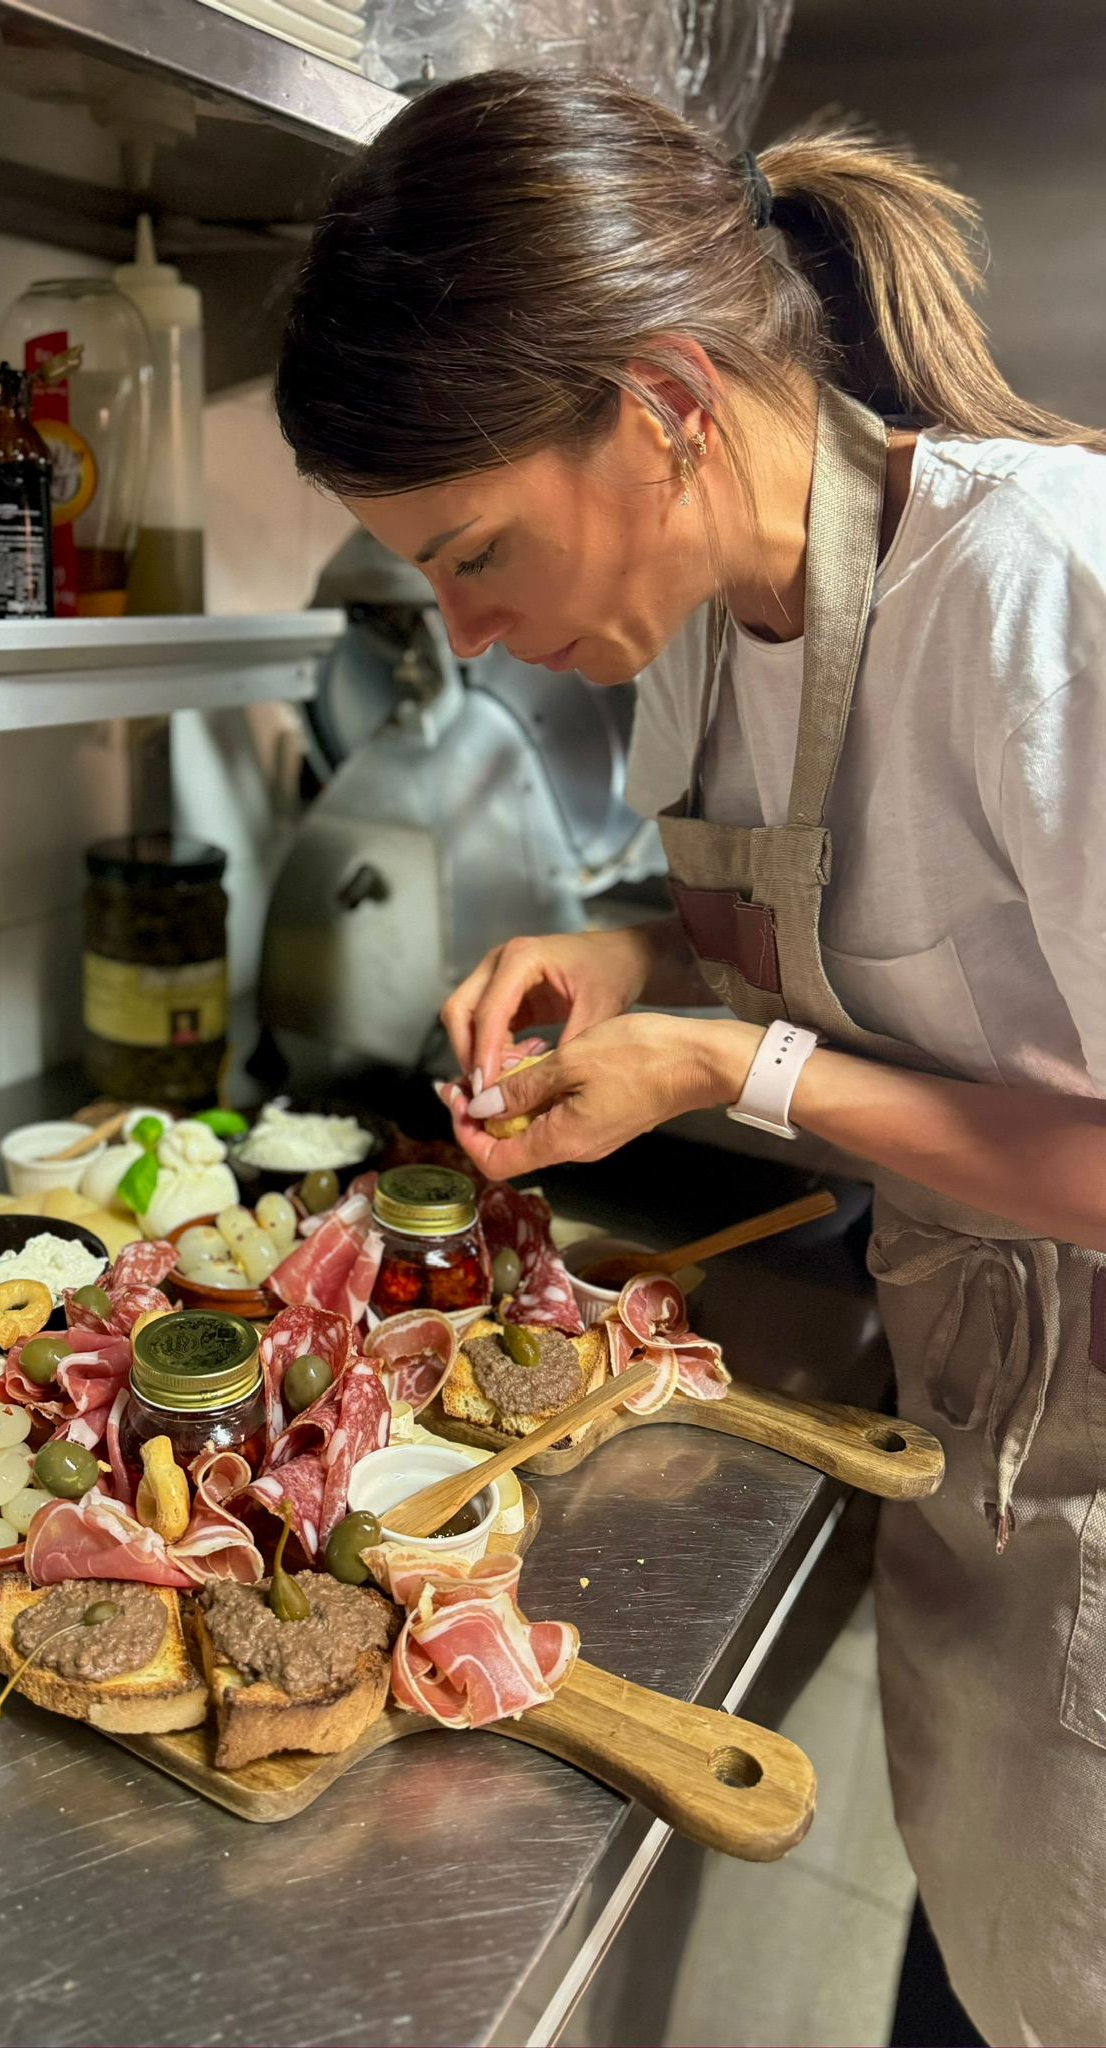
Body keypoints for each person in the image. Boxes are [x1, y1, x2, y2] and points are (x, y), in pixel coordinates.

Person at [275, 68, 1106, 2048]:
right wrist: (612, 947)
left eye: (475, 552)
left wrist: (731, 1073)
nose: (466, 637)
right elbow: (745, 920)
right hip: (983, 1416)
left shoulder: (1036, 598)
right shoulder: (708, 639)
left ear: (664, 408)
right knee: (998, 1940)